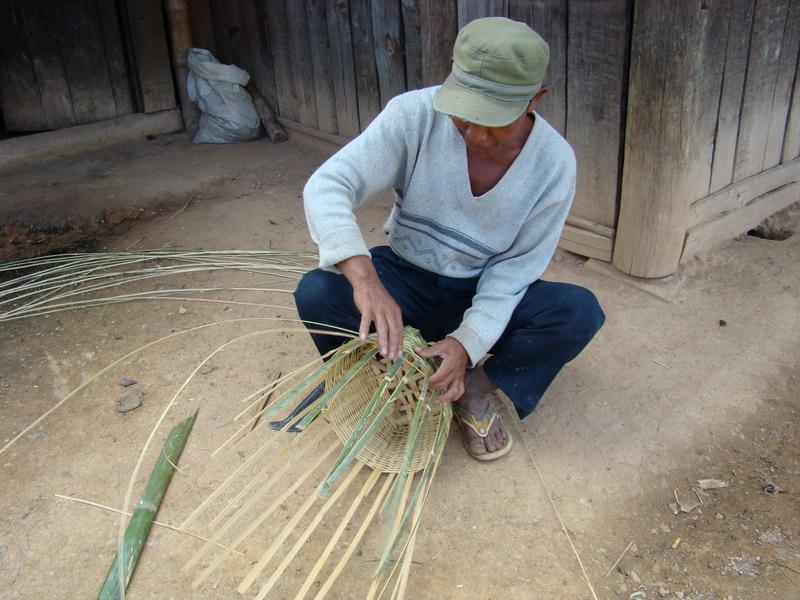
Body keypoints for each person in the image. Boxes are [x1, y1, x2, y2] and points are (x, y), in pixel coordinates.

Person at [294, 17, 605, 461]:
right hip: (405, 277)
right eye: (465, 116)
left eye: (494, 122)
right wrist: (366, 281)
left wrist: (469, 342)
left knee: (576, 313)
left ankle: (474, 389)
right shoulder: (414, 114)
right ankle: (371, 375)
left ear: (535, 99)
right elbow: (328, 185)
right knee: (318, 290)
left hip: (478, 288)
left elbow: (515, 269)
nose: (476, 135)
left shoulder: (554, 163)